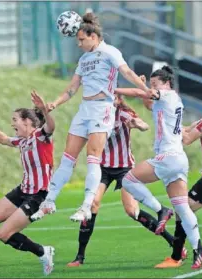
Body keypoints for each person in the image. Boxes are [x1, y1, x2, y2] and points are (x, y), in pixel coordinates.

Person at [31, 12, 150, 223]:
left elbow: (128, 73)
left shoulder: (110, 52)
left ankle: (86, 206)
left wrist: (146, 89)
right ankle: (49, 202)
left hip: (102, 109)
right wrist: (53, 104)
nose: (79, 44)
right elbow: (71, 89)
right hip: (84, 109)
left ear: (93, 36)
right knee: (68, 158)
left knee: (93, 157)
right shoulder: (84, 59)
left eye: (81, 40)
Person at [67, 95, 187, 267]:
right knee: (92, 204)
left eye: (115, 97)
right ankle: (79, 257)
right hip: (103, 168)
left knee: (132, 211)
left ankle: (174, 243)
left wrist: (138, 124)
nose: (111, 100)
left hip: (125, 169)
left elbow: (144, 125)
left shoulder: (122, 114)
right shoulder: (95, 116)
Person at [114, 66, 202, 269]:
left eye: (155, 84)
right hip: (177, 159)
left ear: (166, 84)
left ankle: (160, 210)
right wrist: (144, 91)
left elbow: (143, 93)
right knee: (183, 208)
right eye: (151, 84)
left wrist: (114, 89)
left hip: (168, 157)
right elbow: (149, 103)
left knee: (128, 180)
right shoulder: (167, 100)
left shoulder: (167, 95)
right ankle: (198, 247)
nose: (152, 87)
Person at [0, 91, 55, 276]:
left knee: (4, 234)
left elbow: (51, 126)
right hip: (23, 190)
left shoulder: (40, 136)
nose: (12, 123)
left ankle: (43, 251)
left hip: (38, 195)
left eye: (15, 119)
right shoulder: (22, 141)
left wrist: (44, 110)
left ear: (27, 122)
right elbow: (3, 139)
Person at [156, 85, 202, 268]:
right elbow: (189, 128)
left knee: (182, 209)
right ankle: (178, 255)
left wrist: (171, 131)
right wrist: (173, 123)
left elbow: (187, 139)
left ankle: (175, 257)